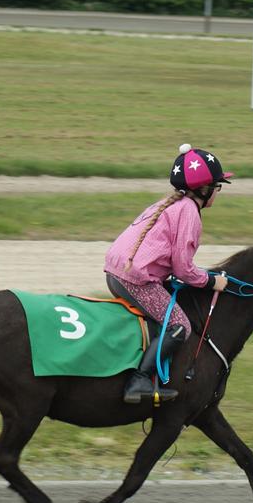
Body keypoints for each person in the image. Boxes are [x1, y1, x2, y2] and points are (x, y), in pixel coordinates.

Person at [105, 143, 232, 403]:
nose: (218, 193)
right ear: (205, 189)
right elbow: (185, 270)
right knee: (179, 326)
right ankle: (139, 381)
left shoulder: (169, 203)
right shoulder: (189, 213)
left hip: (116, 272)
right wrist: (212, 281)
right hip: (135, 280)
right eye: (217, 187)